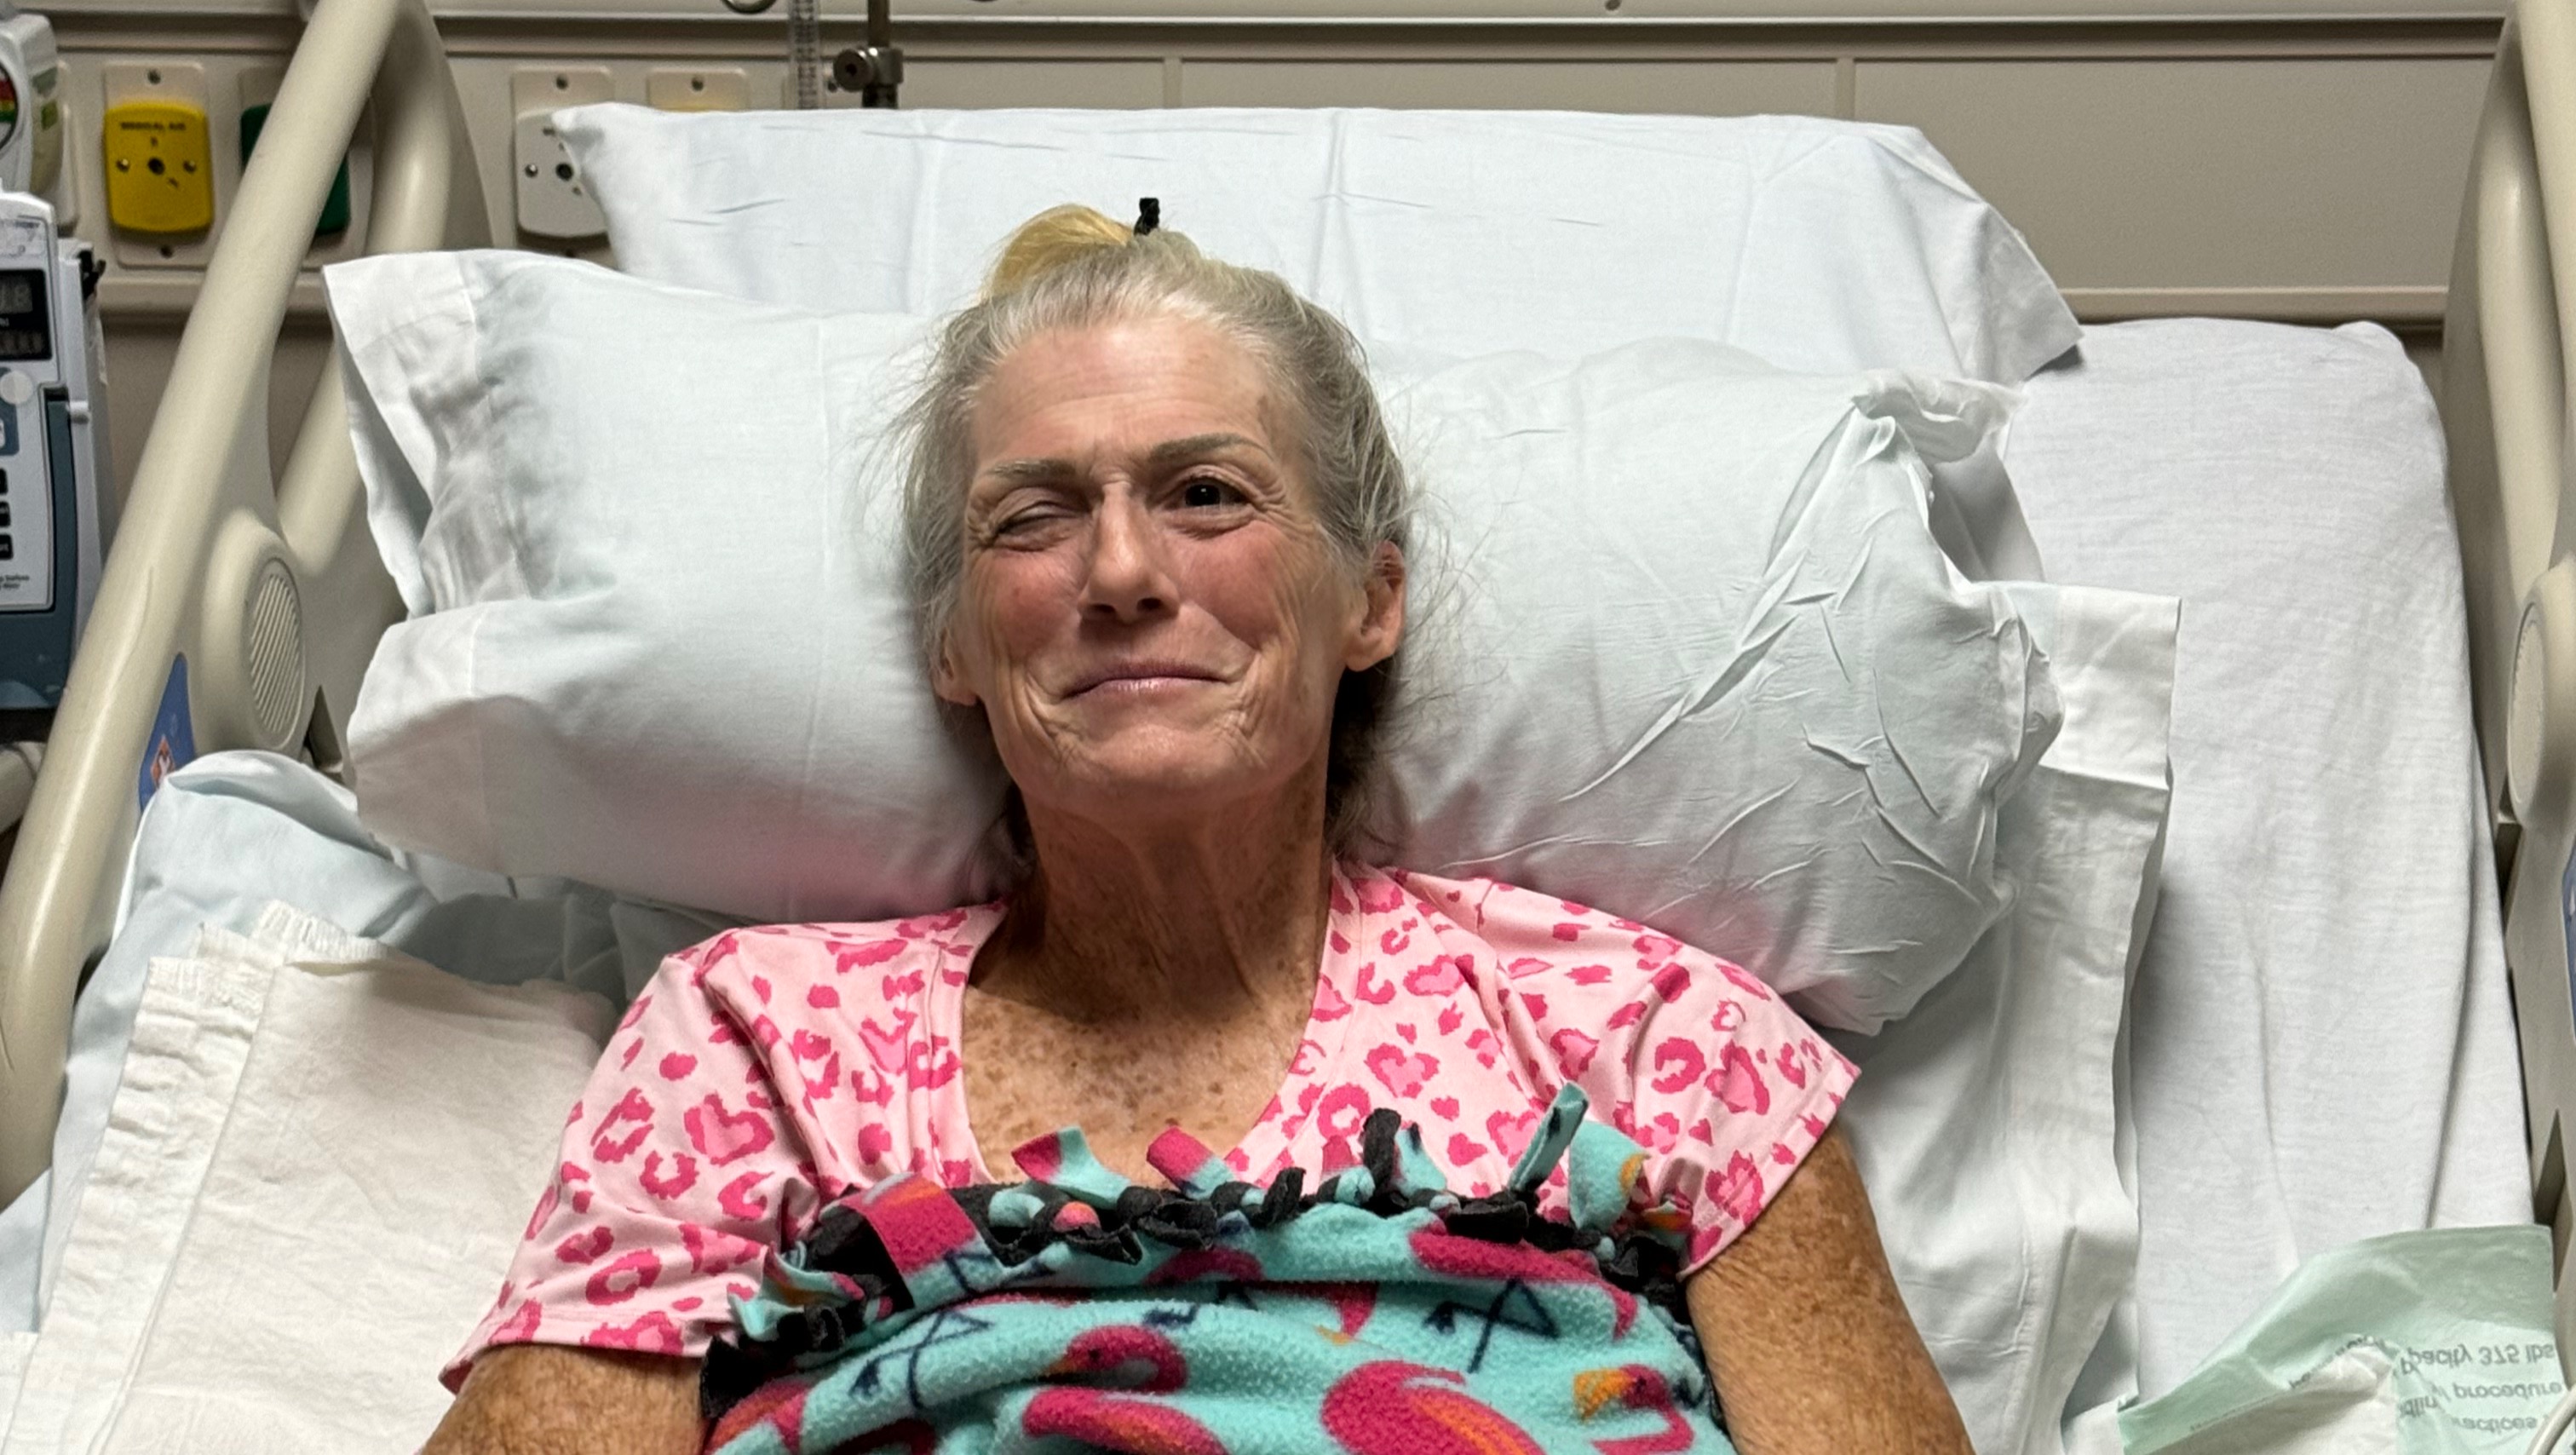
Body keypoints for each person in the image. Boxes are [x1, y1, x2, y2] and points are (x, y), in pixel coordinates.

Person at [423, 205, 1970, 1455]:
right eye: (1033, 517)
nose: (1120, 572)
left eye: (1208, 494)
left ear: (1370, 600)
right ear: (955, 645)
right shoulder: (754, 1041)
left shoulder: (1656, 1042)